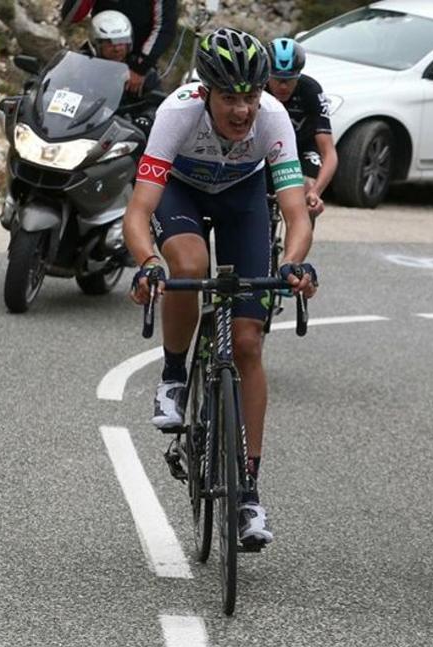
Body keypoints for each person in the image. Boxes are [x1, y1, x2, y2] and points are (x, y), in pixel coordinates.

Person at [123, 28, 319, 548]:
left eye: (251, 96)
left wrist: (296, 264)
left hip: (241, 196)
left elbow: (297, 213)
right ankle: (172, 375)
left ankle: (249, 493)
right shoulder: (177, 113)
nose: (242, 110)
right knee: (188, 261)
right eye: (230, 97)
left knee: (250, 342)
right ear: (206, 90)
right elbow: (139, 212)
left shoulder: (273, 120)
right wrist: (147, 263)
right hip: (181, 191)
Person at [265, 37, 337, 220]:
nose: (283, 86)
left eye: (289, 80)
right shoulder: (257, 88)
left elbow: (329, 153)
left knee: (306, 190)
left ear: (298, 75)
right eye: (277, 79)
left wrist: (315, 192)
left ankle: (298, 239)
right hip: (266, 147)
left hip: (301, 148)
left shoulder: (310, 90)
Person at [63, 0, 178, 96]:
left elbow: (165, 27)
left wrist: (140, 67)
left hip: (136, 63)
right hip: (98, 55)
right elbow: (70, 16)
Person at [78, 10, 159, 132]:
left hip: (120, 135)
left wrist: (146, 118)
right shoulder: (80, 64)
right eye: (109, 43)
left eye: (122, 41)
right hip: (79, 125)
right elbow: (58, 88)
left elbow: (157, 103)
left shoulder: (141, 71)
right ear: (96, 43)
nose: (117, 48)